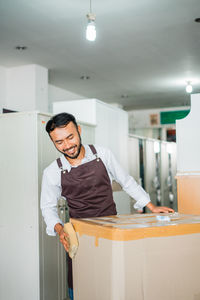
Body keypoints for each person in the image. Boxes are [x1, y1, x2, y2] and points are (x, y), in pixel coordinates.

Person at [40, 112, 174, 300]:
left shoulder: (101, 154)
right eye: (59, 142)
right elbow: (48, 207)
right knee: (80, 281)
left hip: (112, 229)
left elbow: (126, 181)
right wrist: (59, 228)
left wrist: (151, 206)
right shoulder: (52, 172)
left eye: (70, 137)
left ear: (79, 130)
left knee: (115, 279)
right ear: (53, 142)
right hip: (80, 235)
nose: (67, 146)